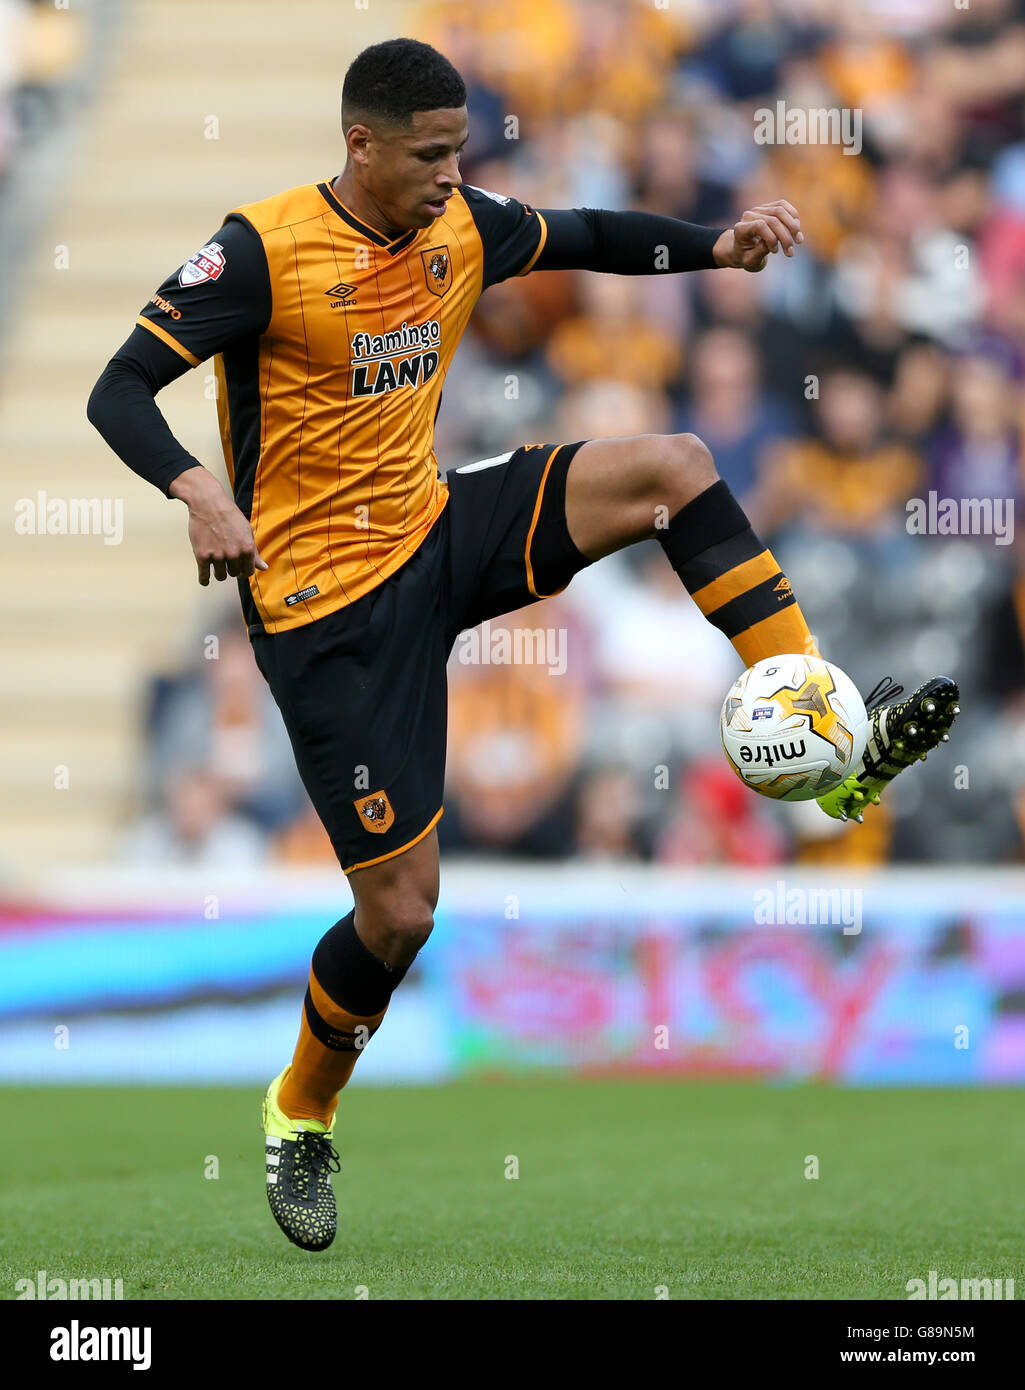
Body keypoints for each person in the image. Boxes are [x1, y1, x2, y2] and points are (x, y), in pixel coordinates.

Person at [87, 37, 959, 1252]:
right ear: (361, 145)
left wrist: (716, 243)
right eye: (432, 155)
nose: (455, 176)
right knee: (398, 914)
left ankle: (822, 728)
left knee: (672, 469)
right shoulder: (260, 249)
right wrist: (196, 487)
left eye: (461, 153)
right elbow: (119, 387)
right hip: (325, 615)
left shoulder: (459, 224)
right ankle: (301, 1112)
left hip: (436, 526)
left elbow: (582, 233)